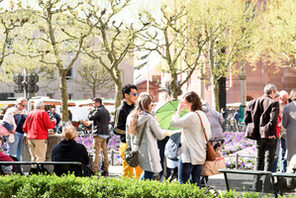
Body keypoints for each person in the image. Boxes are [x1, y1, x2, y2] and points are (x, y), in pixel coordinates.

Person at [171, 91, 212, 187]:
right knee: (196, 180)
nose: (184, 106)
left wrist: (178, 111)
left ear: (191, 102)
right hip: (200, 153)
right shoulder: (202, 115)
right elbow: (209, 134)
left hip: (189, 155)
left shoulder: (191, 116)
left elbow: (174, 123)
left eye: (185, 103)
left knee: (183, 181)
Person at [126, 93, 170, 180]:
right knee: (149, 173)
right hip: (149, 151)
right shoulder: (149, 118)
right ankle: (139, 191)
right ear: (148, 105)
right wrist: (159, 124)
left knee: (147, 173)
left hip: (136, 149)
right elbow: (160, 135)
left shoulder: (131, 117)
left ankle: (138, 190)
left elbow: (128, 136)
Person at [244, 84, 279, 192]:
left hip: (258, 136)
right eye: (275, 92)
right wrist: (270, 132)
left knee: (258, 160)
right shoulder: (273, 103)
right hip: (269, 136)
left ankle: (256, 187)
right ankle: (266, 188)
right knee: (268, 162)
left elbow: (246, 118)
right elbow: (273, 121)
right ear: (272, 92)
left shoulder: (253, 102)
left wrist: (254, 129)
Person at [114, 84, 143, 179]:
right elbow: (116, 129)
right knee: (127, 173)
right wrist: (130, 132)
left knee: (140, 171)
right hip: (126, 144)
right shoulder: (120, 110)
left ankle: (141, 192)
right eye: (134, 94)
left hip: (138, 144)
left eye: (136, 94)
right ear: (126, 95)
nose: (136, 96)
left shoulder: (138, 108)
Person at [88, 97, 110, 176]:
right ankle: (106, 170)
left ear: (98, 103)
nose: (93, 105)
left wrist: (91, 111)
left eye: (93, 103)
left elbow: (90, 117)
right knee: (104, 152)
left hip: (98, 134)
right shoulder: (106, 111)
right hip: (105, 134)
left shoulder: (98, 110)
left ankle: (94, 170)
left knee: (96, 152)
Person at [154, 91, 172, 181]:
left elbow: (156, 122)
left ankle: (161, 174)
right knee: (169, 155)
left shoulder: (157, 108)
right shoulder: (171, 109)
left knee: (160, 155)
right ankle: (168, 173)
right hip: (169, 133)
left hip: (160, 134)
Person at [272, 90, 289, 172]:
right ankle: (274, 173)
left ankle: (283, 172)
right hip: (278, 132)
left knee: (284, 153)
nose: (286, 100)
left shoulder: (288, 105)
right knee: (276, 154)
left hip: (285, 132)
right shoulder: (277, 105)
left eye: (287, 98)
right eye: (284, 98)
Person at [282, 88, 296, 168]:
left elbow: (284, 124)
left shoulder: (287, 107)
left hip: (291, 135)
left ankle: (290, 178)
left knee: (290, 158)